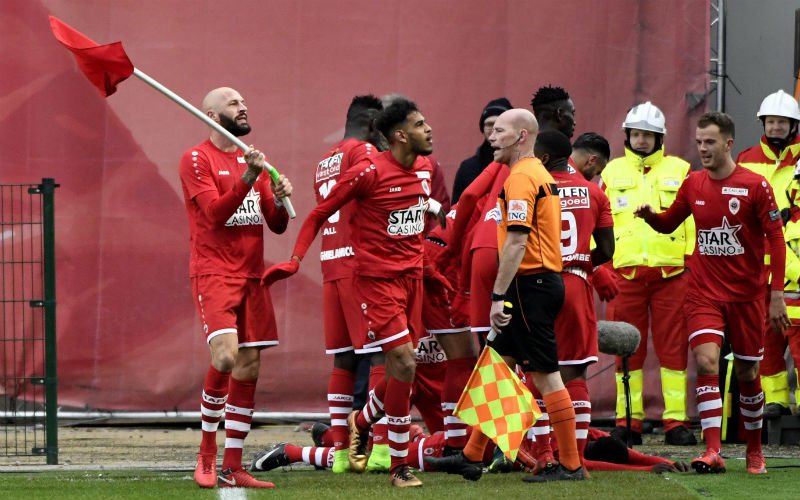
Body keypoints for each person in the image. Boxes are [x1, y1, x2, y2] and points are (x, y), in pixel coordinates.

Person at [262, 97, 445, 488]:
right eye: (421, 123)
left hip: (409, 278)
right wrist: (293, 260)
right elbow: (317, 213)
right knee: (402, 364)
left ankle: (359, 423)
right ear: (397, 134)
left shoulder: (426, 169)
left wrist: (430, 271)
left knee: (396, 366)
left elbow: (409, 225)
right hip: (373, 280)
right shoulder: (367, 168)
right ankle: (396, 465)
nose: (429, 129)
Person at [428, 109, 585, 483]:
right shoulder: (529, 174)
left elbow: (517, 241)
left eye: (499, 131)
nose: (491, 137)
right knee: (499, 370)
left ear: (521, 136)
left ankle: (571, 466)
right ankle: (471, 455)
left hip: (532, 285)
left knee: (547, 377)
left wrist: (498, 295)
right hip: (534, 284)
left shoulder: (521, 177)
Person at [635, 111, 788, 475]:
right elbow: (672, 220)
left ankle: (754, 450)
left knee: (749, 374)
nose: (702, 149)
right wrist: (650, 217)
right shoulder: (693, 184)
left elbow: (776, 240)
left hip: (748, 297)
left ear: (728, 143)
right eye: (699, 142)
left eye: (710, 142)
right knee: (705, 362)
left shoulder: (754, 185)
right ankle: (712, 450)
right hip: (704, 292)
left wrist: (776, 293)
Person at [178, 87, 293, 489]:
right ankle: (206, 453)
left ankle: (233, 464)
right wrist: (249, 176)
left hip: (251, 275)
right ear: (211, 113)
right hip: (214, 273)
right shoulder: (196, 158)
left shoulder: (252, 160)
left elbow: (276, 224)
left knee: (249, 365)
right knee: (225, 358)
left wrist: (278, 200)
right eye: (233, 103)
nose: (243, 107)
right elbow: (214, 214)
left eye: (245, 101)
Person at [600, 101, 696, 446]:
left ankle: (675, 422)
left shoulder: (681, 169)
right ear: (627, 135)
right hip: (625, 274)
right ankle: (629, 422)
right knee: (626, 350)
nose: (641, 140)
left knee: (673, 350)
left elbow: (694, 219)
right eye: (636, 134)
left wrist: (691, 262)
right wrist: (603, 265)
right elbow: (602, 220)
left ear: (660, 138)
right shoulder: (611, 172)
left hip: (672, 272)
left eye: (649, 135)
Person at [312, 95, 387, 473]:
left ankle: (341, 453)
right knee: (383, 355)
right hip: (360, 267)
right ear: (373, 124)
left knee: (343, 357)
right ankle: (382, 450)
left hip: (330, 265)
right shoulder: (365, 153)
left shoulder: (324, 161)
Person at [532, 130, 614, 463]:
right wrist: (580, 259)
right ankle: (575, 460)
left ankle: (543, 455)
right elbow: (607, 249)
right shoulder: (594, 192)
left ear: (544, 157)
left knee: (536, 371)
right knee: (575, 373)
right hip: (577, 283)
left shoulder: (532, 187)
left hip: (537, 282)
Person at [737, 89, 800, 418]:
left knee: (797, 334)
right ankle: (774, 399)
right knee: (764, 333)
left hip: (793, 263)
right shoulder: (746, 159)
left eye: (782, 122)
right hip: (754, 263)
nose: (775, 127)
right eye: (771, 121)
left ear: (793, 125)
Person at [452, 97, 513, 203]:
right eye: (489, 124)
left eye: (499, 124)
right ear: (482, 128)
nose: (494, 129)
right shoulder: (467, 167)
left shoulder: (520, 164)